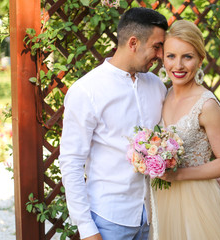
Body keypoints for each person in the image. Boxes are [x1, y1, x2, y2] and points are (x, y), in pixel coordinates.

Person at [59, 8, 168, 240]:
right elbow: (71, 162)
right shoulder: (86, 91)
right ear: (133, 42)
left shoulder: (157, 86)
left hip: (152, 217)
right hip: (109, 221)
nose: (160, 55)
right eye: (156, 46)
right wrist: (87, 229)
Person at [154, 20, 220, 239]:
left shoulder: (207, 105)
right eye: (171, 56)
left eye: (188, 56)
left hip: (197, 201)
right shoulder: (162, 96)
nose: (178, 66)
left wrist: (179, 174)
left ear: (200, 59)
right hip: (161, 198)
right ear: (162, 57)